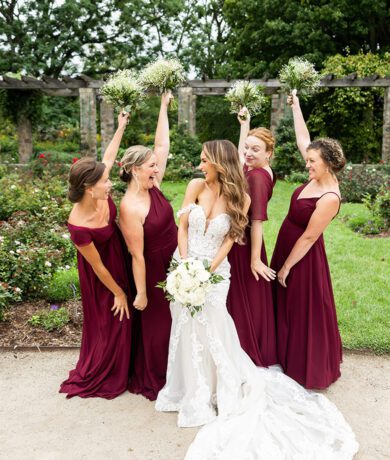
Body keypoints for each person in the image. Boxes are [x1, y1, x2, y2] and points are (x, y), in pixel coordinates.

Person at [155, 139, 358, 459]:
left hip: (215, 272)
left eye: (204, 158)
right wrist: (185, 266)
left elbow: (233, 237)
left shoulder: (243, 196)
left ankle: (223, 387)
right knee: (185, 328)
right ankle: (191, 389)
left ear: (218, 163)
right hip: (185, 265)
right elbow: (182, 227)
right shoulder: (195, 184)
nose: (199, 163)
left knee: (215, 327)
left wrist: (206, 270)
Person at [271, 90, 345, 389]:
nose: (307, 164)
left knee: (301, 309)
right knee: (283, 304)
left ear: (326, 163)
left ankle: (305, 365)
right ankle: (280, 353)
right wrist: (296, 105)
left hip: (302, 256)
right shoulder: (316, 175)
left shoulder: (330, 196)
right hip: (287, 245)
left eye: (312, 161)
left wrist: (287, 267)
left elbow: (310, 236)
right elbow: (305, 139)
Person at [60, 112, 132, 399]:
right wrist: (118, 292)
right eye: (105, 182)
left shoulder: (98, 188)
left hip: (119, 254)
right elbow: (98, 267)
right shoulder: (78, 226)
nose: (110, 183)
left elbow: (109, 156)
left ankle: (127, 364)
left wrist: (121, 125)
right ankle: (107, 367)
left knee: (126, 319)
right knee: (111, 320)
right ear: (90, 190)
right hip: (100, 274)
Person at [119, 91, 177, 401]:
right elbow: (136, 255)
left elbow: (162, 145)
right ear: (134, 169)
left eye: (156, 165)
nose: (157, 168)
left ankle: (182, 372)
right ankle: (160, 376)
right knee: (159, 326)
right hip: (153, 271)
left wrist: (163, 107)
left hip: (177, 260)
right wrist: (141, 292)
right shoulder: (129, 207)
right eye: (151, 166)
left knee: (181, 321)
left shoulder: (155, 185)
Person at [227, 107, 278, 367]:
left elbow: (256, 221)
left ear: (268, 153)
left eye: (255, 150)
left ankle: (247, 351)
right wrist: (244, 127)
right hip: (243, 240)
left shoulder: (257, 178)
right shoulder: (259, 169)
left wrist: (255, 260)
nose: (248, 153)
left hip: (246, 244)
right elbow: (239, 159)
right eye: (247, 148)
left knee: (245, 299)